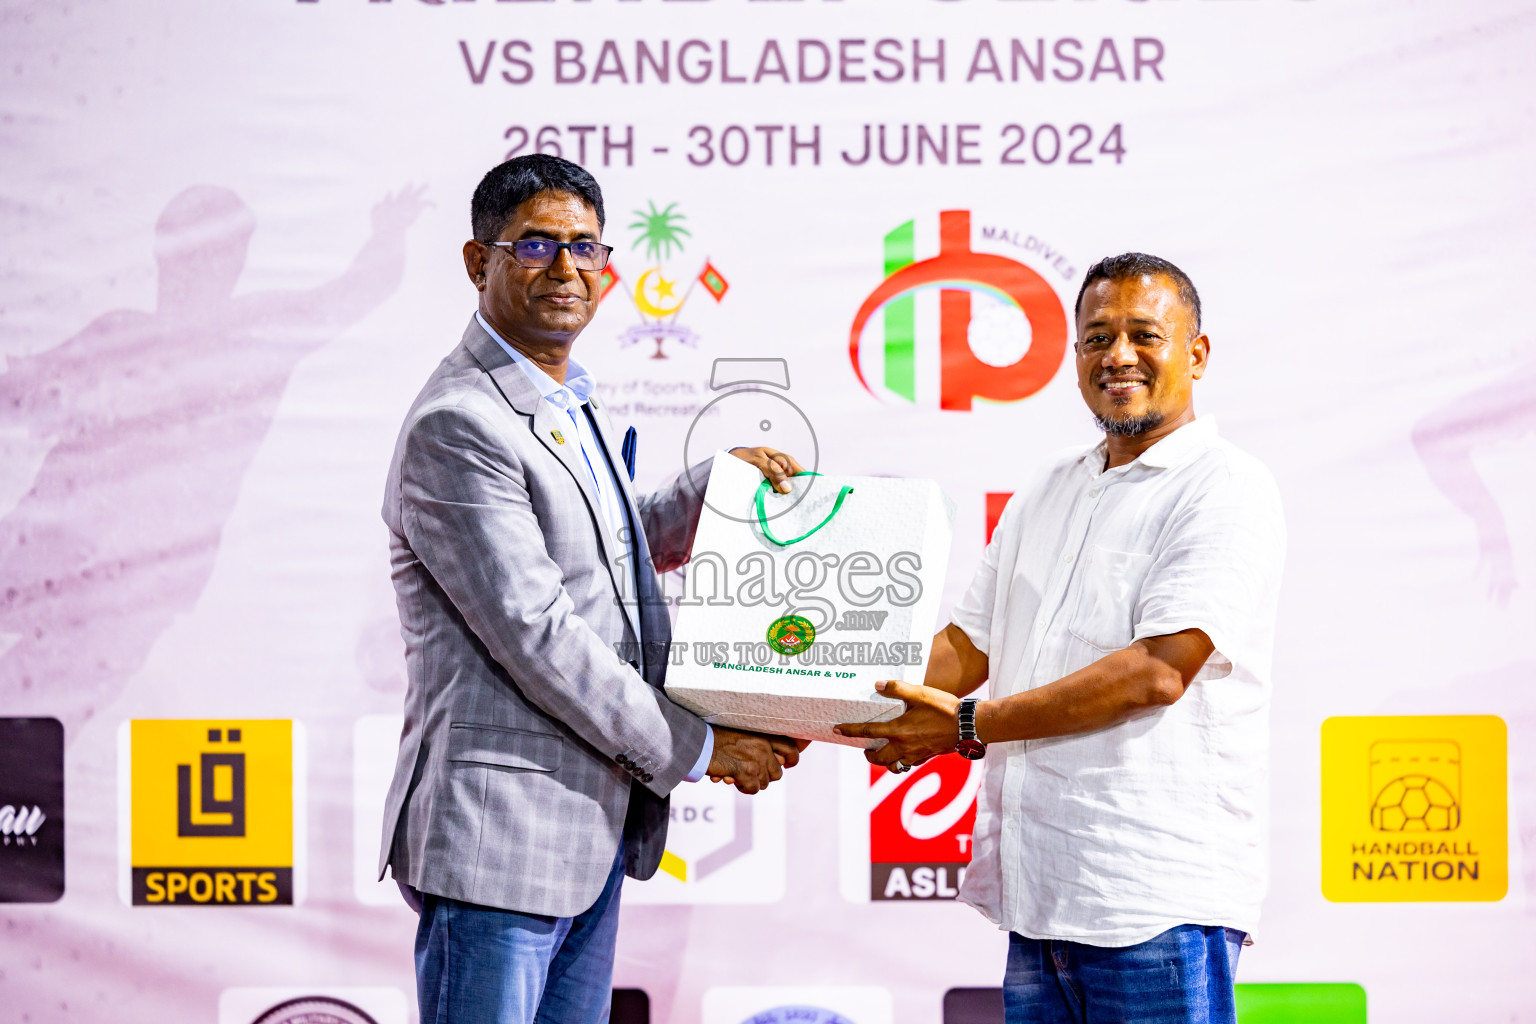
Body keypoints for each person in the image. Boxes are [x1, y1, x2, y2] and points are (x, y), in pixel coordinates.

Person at [377, 154, 802, 1024]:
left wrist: (712, 493)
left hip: (584, 822)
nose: (567, 269)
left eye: (585, 248)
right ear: (477, 261)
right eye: (536, 244)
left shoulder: (563, 399)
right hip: (499, 836)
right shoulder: (461, 421)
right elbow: (539, 631)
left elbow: (603, 551)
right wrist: (701, 746)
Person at [837, 254, 1286, 1024]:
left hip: (1155, 899)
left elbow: (1156, 672)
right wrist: (802, 695)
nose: (1118, 356)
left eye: (1145, 335)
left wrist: (966, 726)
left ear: (1197, 354)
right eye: (1096, 336)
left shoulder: (1225, 486)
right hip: (1041, 897)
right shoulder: (1047, 486)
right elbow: (967, 648)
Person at [0, 184, 425, 734]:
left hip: (131, 585)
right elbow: (26, 394)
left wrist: (386, 236)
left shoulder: (254, 334)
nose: (197, 267)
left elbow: (350, 294)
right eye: (187, 251)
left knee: (26, 714)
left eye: (217, 253)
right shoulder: (118, 334)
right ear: (162, 254)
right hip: (48, 542)